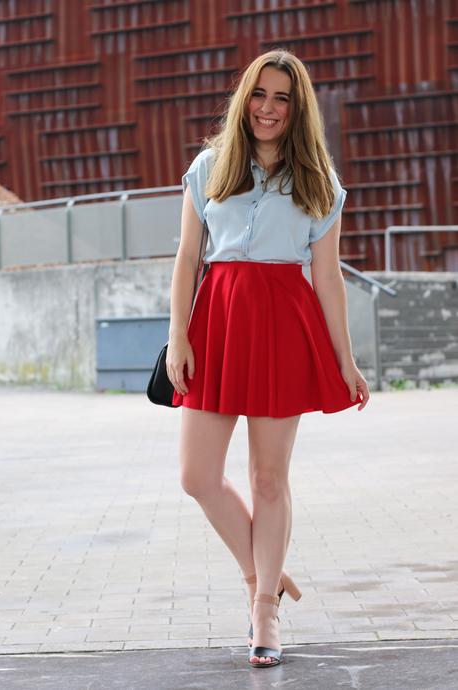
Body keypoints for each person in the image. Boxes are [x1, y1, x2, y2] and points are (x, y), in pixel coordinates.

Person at [166, 49, 370, 668]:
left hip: (285, 321)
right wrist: (179, 335)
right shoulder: (210, 168)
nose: (268, 108)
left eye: (283, 97)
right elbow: (186, 259)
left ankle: (263, 608)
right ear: (245, 98)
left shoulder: (319, 184)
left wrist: (346, 359)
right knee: (197, 476)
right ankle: (269, 570)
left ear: (297, 107)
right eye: (260, 94)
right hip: (219, 319)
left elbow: (329, 278)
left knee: (267, 479)